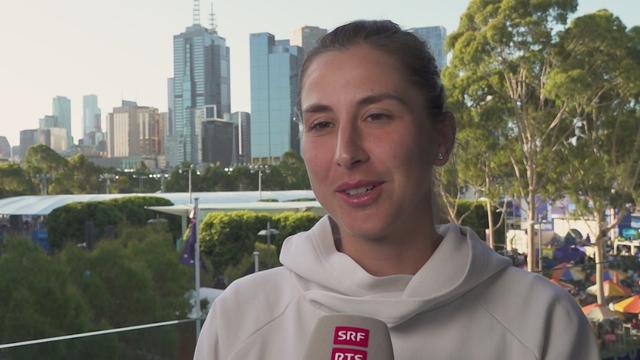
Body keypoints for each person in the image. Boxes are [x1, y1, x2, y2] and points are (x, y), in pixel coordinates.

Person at [194, 20, 598, 359]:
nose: (346, 152)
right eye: (321, 124)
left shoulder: (544, 321)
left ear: (441, 136)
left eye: (377, 116)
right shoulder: (239, 317)